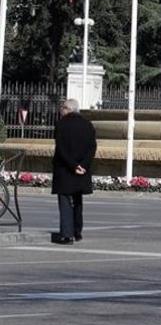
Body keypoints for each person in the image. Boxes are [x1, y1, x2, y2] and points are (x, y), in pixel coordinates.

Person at [50, 98, 96, 245]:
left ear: (68, 109)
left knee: (65, 200)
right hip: (82, 169)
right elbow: (92, 147)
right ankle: (77, 232)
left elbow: (61, 149)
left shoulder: (61, 124)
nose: (60, 110)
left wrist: (73, 165)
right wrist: (83, 165)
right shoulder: (88, 125)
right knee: (77, 200)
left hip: (65, 169)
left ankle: (67, 234)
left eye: (62, 108)